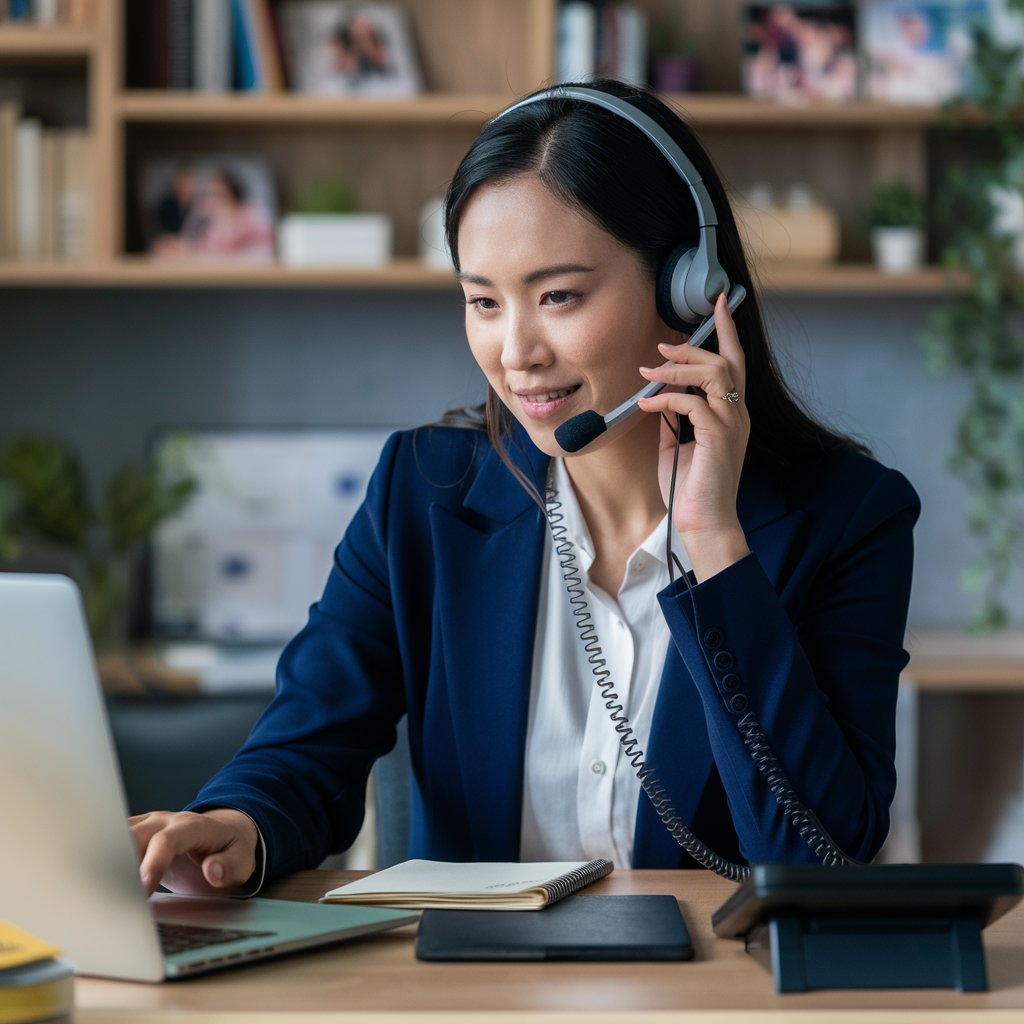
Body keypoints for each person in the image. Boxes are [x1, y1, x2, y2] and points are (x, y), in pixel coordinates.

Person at [131, 79, 919, 896]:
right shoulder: (424, 492)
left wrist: (716, 545)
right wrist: (237, 823)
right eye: (483, 301)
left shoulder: (848, 518)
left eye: (559, 297)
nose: (516, 352)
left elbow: (823, 861)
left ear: (690, 290)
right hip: (475, 995)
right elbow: (308, 741)